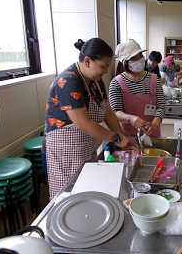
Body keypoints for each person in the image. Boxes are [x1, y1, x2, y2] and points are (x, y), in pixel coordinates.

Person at [43, 38, 137, 199]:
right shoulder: (69, 82)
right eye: (103, 66)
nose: (106, 71)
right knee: (68, 197)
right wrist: (115, 138)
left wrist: (123, 137)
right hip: (65, 151)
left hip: (85, 147)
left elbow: (108, 114)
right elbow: (82, 123)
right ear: (87, 61)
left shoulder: (96, 82)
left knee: (84, 191)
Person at [109, 39, 165, 139]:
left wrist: (155, 123)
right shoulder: (116, 83)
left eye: (140, 55)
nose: (139, 59)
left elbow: (161, 106)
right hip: (127, 137)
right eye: (134, 57)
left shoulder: (154, 79)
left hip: (152, 135)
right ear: (124, 62)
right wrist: (129, 118)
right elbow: (114, 112)